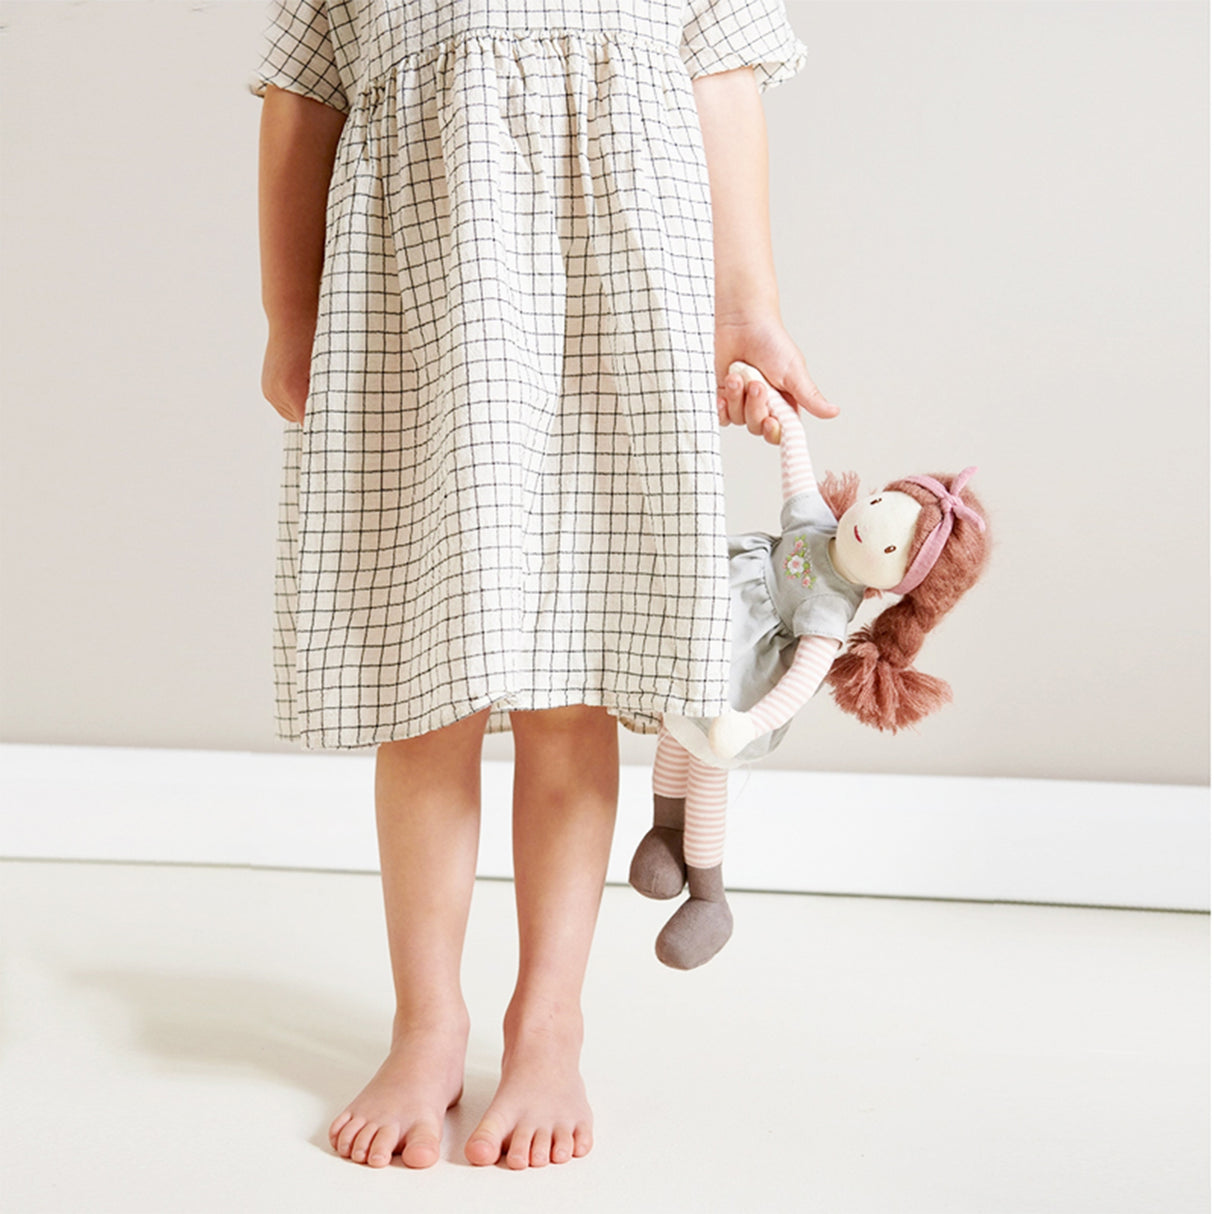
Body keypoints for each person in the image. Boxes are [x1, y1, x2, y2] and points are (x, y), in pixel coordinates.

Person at [251, 0, 831, 1171]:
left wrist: (745, 306)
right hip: (427, 325)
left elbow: (721, 87)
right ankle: (427, 1023)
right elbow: (301, 105)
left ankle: (546, 1019)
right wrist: (290, 308)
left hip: (615, 317)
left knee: (573, 687)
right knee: (429, 687)